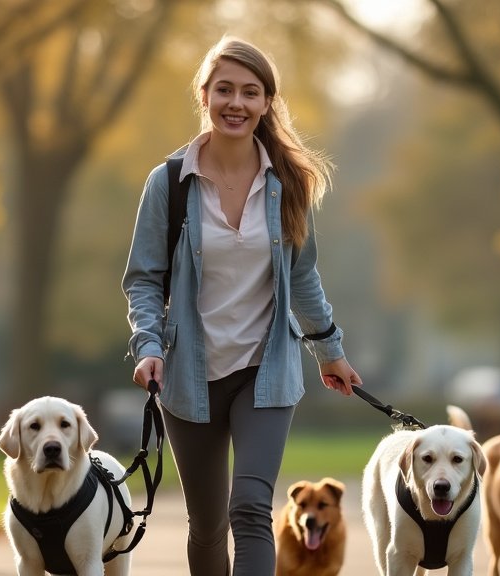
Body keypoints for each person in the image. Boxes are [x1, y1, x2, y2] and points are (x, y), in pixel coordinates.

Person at [122, 35, 361, 576]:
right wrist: (148, 346)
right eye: (224, 89)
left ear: (266, 103)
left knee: (251, 508)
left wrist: (329, 351)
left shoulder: (289, 184)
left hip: (265, 369)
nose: (236, 102)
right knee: (207, 527)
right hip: (188, 375)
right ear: (203, 95)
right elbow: (143, 279)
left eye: (250, 92)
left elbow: (302, 276)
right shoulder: (169, 184)